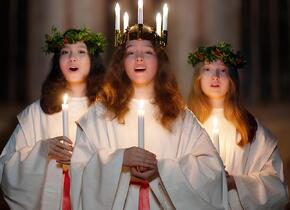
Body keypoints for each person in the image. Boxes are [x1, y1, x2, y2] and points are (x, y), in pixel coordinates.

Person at [70, 24, 227, 210]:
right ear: (121, 63)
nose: (139, 58)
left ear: (160, 61)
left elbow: (212, 169)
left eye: (148, 52)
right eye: (130, 53)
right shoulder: (98, 116)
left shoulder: (180, 117)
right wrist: (119, 160)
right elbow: (79, 168)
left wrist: (162, 170)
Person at [0, 26, 106, 210]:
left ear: (93, 60)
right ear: (58, 61)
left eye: (81, 52)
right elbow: (6, 167)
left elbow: (119, 164)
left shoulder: (105, 112)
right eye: (65, 52)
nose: (73, 58)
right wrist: (42, 151)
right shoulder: (37, 112)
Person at [187, 41, 289, 210]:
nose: (215, 77)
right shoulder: (187, 125)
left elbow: (276, 185)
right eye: (207, 69)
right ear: (198, 78)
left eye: (222, 70)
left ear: (232, 80)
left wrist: (236, 182)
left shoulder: (250, 128)